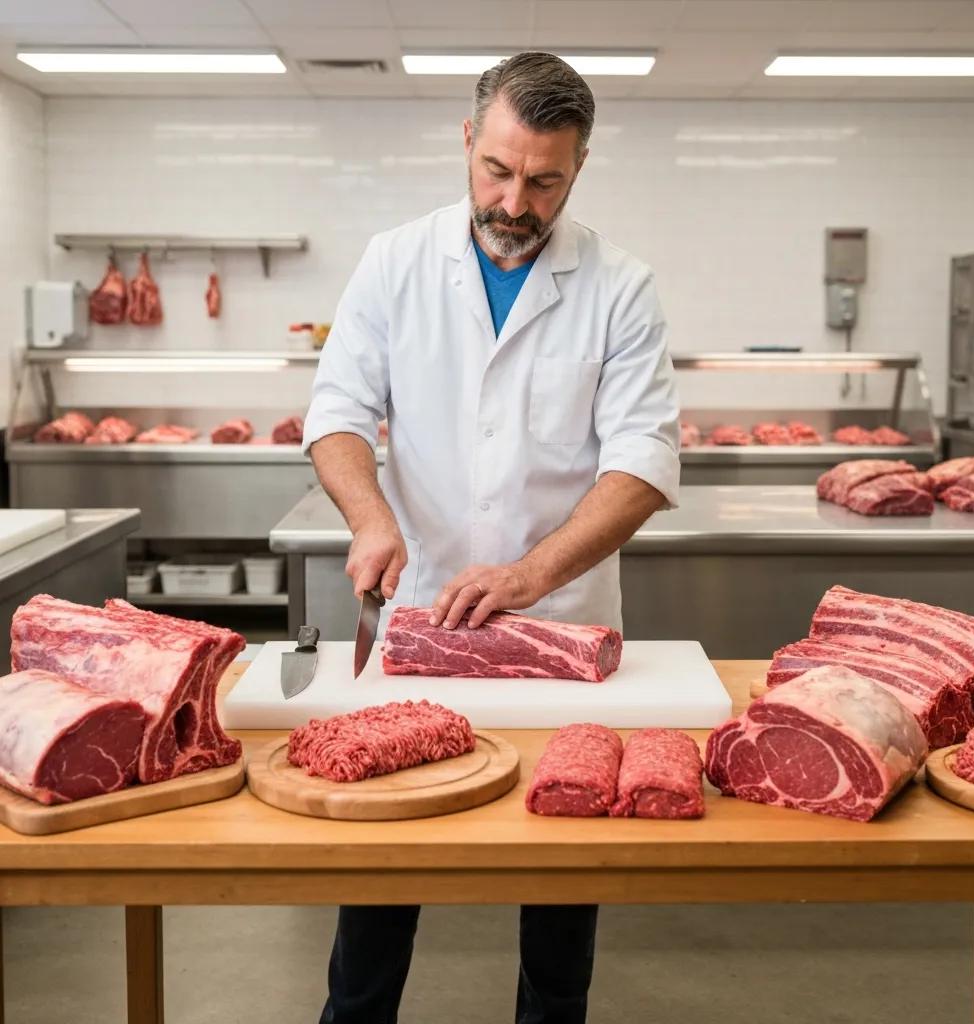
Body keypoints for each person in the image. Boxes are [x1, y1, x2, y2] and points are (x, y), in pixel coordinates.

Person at [304, 50, 679, 1024]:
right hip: (421, 611)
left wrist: (529, 573)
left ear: (579, 168)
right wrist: (372, 516)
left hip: (559, 623)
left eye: (543, 181)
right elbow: (337, 414)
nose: (515, 201)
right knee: (381, 886)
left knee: (559, 897)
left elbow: (640, 463)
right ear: (467, 141)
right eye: (497, 171)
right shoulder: (395, 261)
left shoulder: (620, 286)